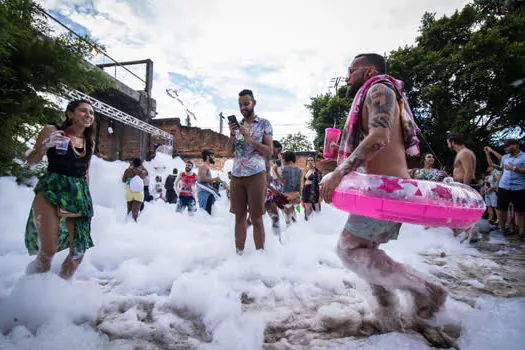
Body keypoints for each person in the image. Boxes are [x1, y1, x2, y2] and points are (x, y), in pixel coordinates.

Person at [320, 53, 447, 324]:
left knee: (348, 250)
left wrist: (340, 172)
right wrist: (338, 160)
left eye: (351, 70)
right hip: (380, 190)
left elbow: (379, 137)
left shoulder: (379, 88)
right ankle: (387, 312)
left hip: (387, 190)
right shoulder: (375, 92)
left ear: (368, 71)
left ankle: (428, 291)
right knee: (363, 251)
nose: (347, 77)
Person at [24, 99, 96, 280]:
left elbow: (86, 172)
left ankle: (61, 290)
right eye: (83, 111)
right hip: (52, 188)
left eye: (92, 113)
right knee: (48, 251)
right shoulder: (52, 130)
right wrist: (46, 145)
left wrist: (86, 199)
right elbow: (31, 161)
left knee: (78, 251)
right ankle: (31, 289)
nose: (88, 115)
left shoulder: (90, 141)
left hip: (78, 193)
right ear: (70, 114)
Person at [226, 89, 273, 255]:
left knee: (256, 217)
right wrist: (233, 135)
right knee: (239, 217)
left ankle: (260, 256)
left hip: (256, 175)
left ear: (254, 103)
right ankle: (239, 254)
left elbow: (269, 151)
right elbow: (227, 153)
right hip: (237, 176)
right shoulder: (237, 126)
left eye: (246, 103)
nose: (243, 107)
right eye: (240, 105)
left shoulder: (264, 124)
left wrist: (249, 139)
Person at [484, 139, 525, 239]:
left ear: (515, 145)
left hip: (519, 187)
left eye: (507, 146)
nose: (505, 148)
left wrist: (515, 168)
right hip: (504, 186)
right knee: (501, 209)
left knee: (520, 211)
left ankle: (522, 232)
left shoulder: (524, 156)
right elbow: (501, 170)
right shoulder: (505, 157)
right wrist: (488, 153)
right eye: (505, 146)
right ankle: (502, 230)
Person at [446, 133, 480, 243]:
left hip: (464, 186)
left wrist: (464, 188)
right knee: (459, 213)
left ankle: (471, 239)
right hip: (459, 185)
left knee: (465, 212)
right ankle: (463, 239)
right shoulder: (462, 153)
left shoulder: (465, 153)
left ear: (452, 142)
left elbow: (468, 172)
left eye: (448, 143)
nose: (448, 146)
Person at [280, 151, 302, 226]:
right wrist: (299, 195)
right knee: (292, 213)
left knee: (287, 215)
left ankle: (289, 232)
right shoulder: (299, 169)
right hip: (295, 194)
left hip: (285, 194)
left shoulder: (284, 169)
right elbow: (299, 184)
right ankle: (296, 230)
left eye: (283, 159)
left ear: (286, 159)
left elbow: (283, 182)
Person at [197, 150, 222, 215]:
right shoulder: (203, 165)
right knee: (204, 215)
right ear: (208, 157)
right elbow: (202, 179)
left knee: (208, 215)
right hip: (204, 193)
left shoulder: (206, 166)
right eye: (212, 156)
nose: (214, 158)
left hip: (208, 192)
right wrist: (215, 179)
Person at [303, 155, 322, 220]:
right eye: (308, 160)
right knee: (307, 208)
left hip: (314, 191)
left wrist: (320, 196)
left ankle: (317, 223)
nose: (310, 161)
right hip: (306, 191)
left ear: (314, 162)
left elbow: (320, 183)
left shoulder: (317, 171)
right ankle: (309, 224)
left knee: (316, 208)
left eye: (312, 160)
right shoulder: (307, 171)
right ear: (307, 162)